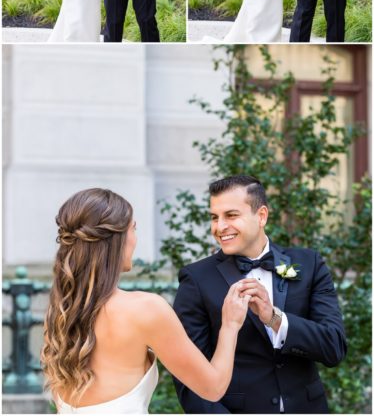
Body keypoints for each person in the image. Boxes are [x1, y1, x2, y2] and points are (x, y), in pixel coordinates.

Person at [41, 187, 251, 413]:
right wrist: (230, 325)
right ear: (118, 238)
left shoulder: (59, 313)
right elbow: (213, 388)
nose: (135, 239)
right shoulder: (146, 309)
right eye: (134, 228)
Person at [174, 174, 347, 415]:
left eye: (231, 215)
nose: (220, 227)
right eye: (215, 217)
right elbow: (189, 377)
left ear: (262, 216)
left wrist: (274, 318)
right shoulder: (196, 279)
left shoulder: (309, 264)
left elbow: (333, 347)